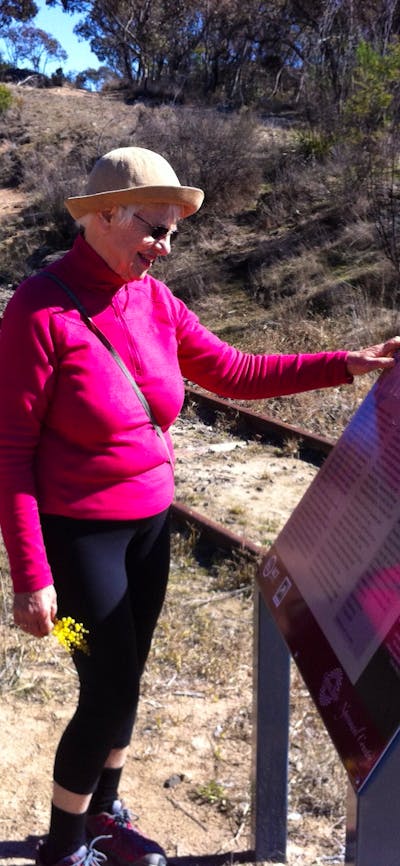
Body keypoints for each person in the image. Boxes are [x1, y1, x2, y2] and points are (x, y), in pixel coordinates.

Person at [0, 146, 398, 866]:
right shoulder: (39, 308)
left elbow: (236, 371)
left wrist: (347, 362)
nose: (164, 247)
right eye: (153, 230)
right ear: (102, 217)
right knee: (101, 682)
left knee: (130, 674)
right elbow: (11, 453)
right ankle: (64, 843)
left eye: (173, 234)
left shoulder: (153, 299)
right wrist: (30, 578)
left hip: (148, 532)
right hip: (73, 544)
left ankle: (107, 812)